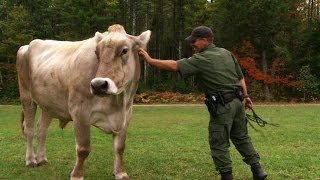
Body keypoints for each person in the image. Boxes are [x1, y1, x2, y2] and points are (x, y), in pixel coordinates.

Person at [138, 26, 267, 180]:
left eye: (194, 41)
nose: (192, 44)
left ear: (205, 40)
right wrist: (245, 96)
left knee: (219, 142)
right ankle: (258, 171)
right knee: (242, 137)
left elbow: (174, 65)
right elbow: (240, 77)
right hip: (238, 102)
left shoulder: (202, 58)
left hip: (222, 106)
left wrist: (150, 60)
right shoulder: (227, 53)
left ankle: (227, 176)